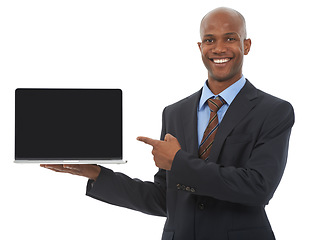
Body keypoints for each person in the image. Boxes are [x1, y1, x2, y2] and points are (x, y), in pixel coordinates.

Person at [41, 7, 295, 240]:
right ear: (200, 47)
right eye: (210, 40)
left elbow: (258, 188)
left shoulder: (274, 111)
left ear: (246, 45)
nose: (219, 48)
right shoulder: (175, 112)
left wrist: (179, 162)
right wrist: (95, 173)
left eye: (230, 38)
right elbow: (165, 198)